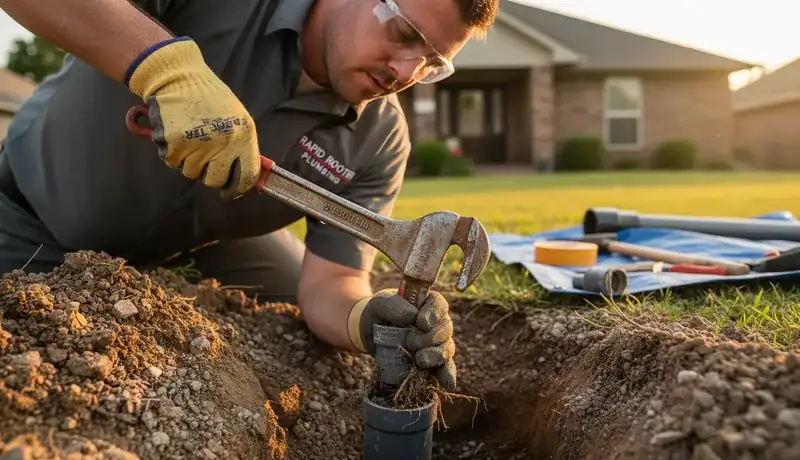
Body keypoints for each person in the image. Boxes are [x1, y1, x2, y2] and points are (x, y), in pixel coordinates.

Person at [0, 0, 498, 390]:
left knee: (292, 295)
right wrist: (167, 69)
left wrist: (365, 319)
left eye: (431, 63)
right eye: (405, 33)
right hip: (29, 207)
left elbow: (335, 280)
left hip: (190, 241)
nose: (406, 72)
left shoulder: (381, 138)